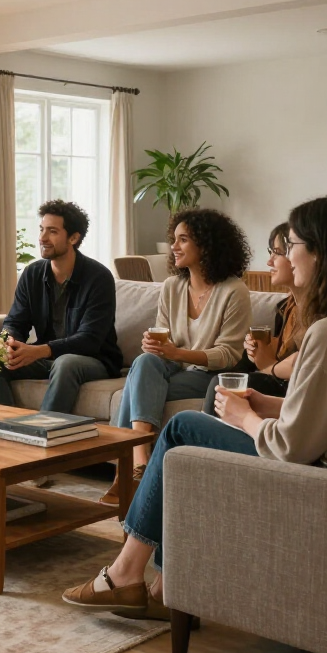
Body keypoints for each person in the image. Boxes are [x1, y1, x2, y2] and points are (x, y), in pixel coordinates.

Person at [63, 195, 327, 619]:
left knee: (181, 431)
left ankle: (126, 575)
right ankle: (166, 588)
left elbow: (291, 447)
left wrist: (245, 417)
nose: (286, 254)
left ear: (323, 252)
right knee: (174, 418)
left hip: (322, 480)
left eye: (292, 245)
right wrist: (268, 402)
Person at [114, 208, 252, 485]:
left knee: (136, 384)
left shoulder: (234, 290)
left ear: (206, 244)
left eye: (183, 239)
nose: (174, 247)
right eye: (174, 239)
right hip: (173, 370)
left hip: (207, 376)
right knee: (143, 363)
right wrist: (154, 346)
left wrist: (178, 353)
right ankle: (141, 463)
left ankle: (125, 470)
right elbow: (165, 337)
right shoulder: (171, 287)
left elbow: (229, 354)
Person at [0, 200, 121, 414]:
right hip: (48, 357)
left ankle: (41, 431)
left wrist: (41, 350)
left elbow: (89, 340)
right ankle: (7, 427)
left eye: (52, 231)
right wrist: (10, 343)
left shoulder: (98, 277)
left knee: (66, 363)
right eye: (42, 229)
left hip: (94, 360)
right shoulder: (32, 274)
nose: (42, 238)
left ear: (73, 237)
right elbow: (15, 321)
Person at [201, 222, 305, 415]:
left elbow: (302, 362)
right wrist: (259, 354)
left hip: (297, 389)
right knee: (228, 376)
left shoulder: (321, 312)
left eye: (277, 252)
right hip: (281, 380)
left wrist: (267, 368)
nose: (269, 262)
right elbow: (276, 359)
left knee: (223, 384)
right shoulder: (285, 308)